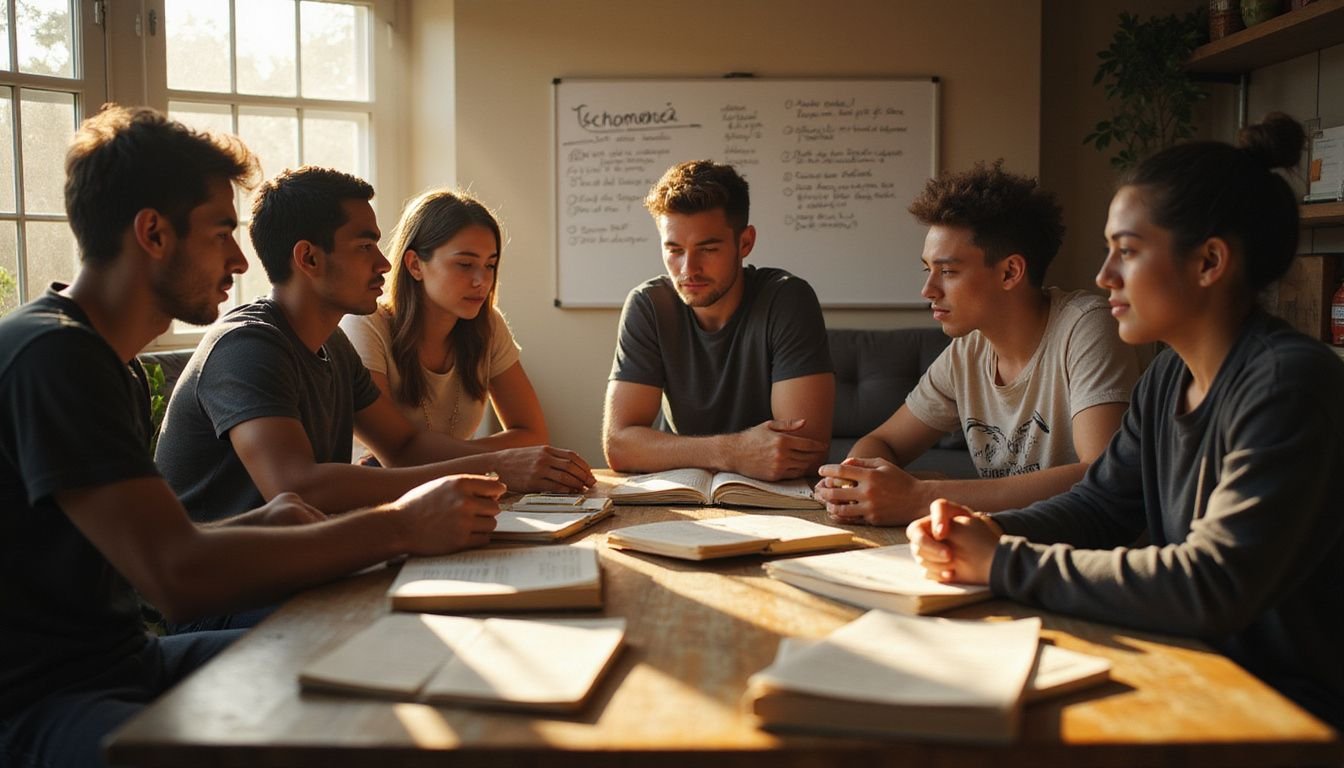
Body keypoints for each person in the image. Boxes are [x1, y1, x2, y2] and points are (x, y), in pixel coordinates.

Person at [0, 105, 503, 768]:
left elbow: (151, 552)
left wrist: (261, 523)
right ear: (152, 232)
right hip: (42, 701)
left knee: (381, 658)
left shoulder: (102, 360)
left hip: (127, 661)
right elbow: (174, 577)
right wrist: (401, 525)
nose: (240, 259)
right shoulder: (54, 356)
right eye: (220, 233)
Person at [908, 115, 1343, 731]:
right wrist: (985, 529)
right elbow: (1102, 505)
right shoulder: (1168, 378)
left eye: (1128, 252)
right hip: (1191, 666)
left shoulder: (1288, 384)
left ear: (1209, 261)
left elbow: (1212, 583)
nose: (1103, 276)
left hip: (1282, 708)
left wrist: (1002, 561)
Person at [154, 167, 592, 630]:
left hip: (305, 568)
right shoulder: (248, 346)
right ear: (308, 258)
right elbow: (297, 485)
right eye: (365, 247)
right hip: (227, 597)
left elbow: (402, 446)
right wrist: (496, 466)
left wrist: (498, 466)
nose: (384, 263)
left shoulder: (332, 346)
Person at [814, 162, 1138, 524]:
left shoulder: (1086, 326)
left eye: (948, 271)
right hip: (995, 545)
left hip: (1081, 557)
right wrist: (856, 479)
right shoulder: (967, 352)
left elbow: (1099, 473)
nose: (928, 290)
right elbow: (883, 443)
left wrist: (922, 498)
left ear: (1010, 272)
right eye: (928, 269)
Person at [603, 160, 835, 481]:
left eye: (708, 248)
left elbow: (804, 453)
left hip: (775, 499)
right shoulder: (648, 305)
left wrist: (685, 451)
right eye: (674, 250)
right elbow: (619, 445)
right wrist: (733, 451)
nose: (688, 269)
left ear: (745, 242)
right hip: (680, 493)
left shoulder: (787, 299)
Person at [339, 189, 557, 459]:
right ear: (415, 264)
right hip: (376, 492)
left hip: (456, 489)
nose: (482, 281)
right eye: (465, 264)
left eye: (490, 265)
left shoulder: (488, 324)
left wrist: (468, 458)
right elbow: (398, 455)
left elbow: (532, 435)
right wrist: (489, 459)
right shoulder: (366, 324)